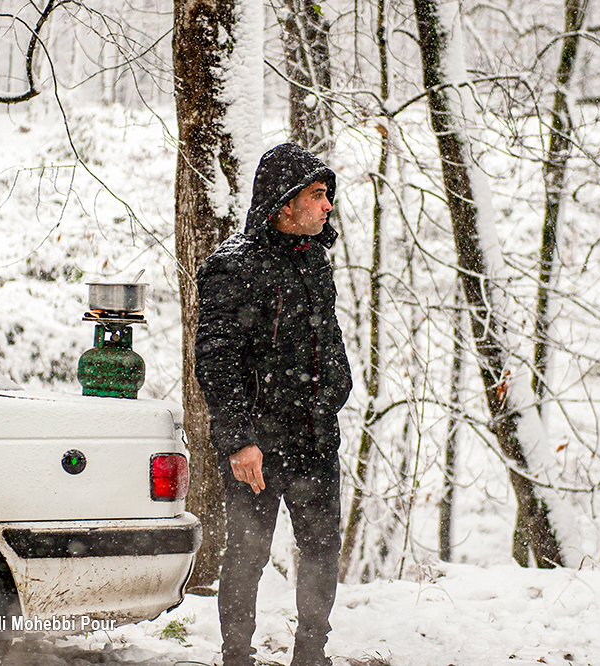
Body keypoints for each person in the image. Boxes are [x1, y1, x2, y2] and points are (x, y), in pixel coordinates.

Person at [195, 142, 352, 666]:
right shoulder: (232, 266)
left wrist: (336, 389)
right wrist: (239, 441)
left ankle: (311, 655)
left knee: (322, 548)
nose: (327, 205)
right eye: (317, 194)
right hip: (258, 445)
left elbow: (329, 338)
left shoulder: (315, 261)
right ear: (285, 202)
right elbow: (216, 360)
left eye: (327, 195)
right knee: (247, 553)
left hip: (315, 437)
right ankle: (236, 656)